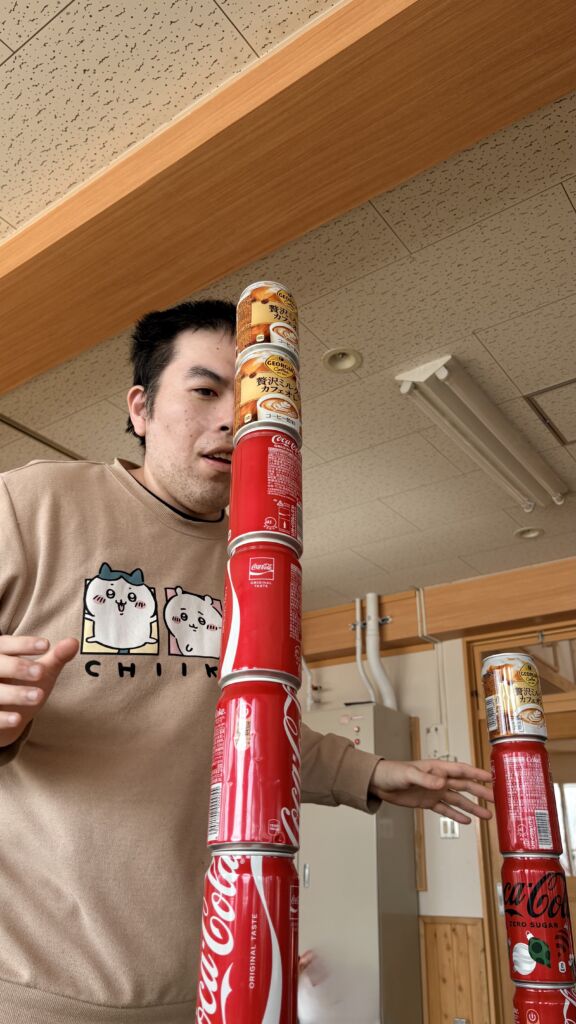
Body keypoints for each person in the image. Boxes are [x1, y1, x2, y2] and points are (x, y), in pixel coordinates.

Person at [0, 299, 493, 1023]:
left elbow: (249, 729)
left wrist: (373, 773)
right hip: (28, 987)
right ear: (141, 408)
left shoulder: (258, 561)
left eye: (252, 396)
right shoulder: (33, 503)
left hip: (206, 983)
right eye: (205, 391)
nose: (234, 418)